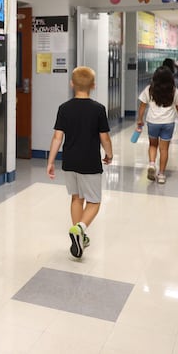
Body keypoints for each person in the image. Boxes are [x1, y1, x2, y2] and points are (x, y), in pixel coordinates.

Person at [47, 66, 113, 259]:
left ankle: (79, 237)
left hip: (69, 161)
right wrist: (109, 154)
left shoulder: (64, 108)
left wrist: (51, 161)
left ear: (71, 84)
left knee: (76, 198)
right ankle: (81, 228)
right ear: (93, 85)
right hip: (90, 162)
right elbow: (105, 138)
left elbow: (57, 138)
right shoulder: (98, 109)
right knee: (94, 202)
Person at [137, 66, 178, 184]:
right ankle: (161, 174)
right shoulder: (174, 91)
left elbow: (142, 105)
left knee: (153, 145)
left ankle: (152, 164)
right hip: (168, 123)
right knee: (164, 149)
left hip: (153, 122)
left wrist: (140, 119)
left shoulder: (149, 90)